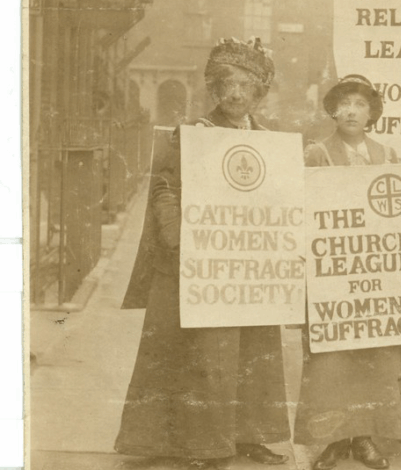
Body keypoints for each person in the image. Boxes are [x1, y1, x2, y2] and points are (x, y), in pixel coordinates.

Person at [116, 37, 290, 468]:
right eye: (226, 83)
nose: (235, 93)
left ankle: (248, 436)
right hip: (201, 263)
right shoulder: (193, 134)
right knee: (204, 354)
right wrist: (180, 240)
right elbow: (164, 189)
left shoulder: (272, 143)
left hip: (251, 265)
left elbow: (281, 201)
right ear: (213, 89)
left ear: (259, 92)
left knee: (252, 352)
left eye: (245, 85)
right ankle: (201, 443)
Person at [294, 74, 401, 470]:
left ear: (371, 112)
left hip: (372, 276)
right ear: (333, 110)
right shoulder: (317, 154)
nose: (352, 111)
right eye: (345, 103)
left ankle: (364, 440)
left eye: (360, 104)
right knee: (331, 362)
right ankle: (332, 442)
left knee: (371, 360)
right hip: (331, 277)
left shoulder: (389, 157)